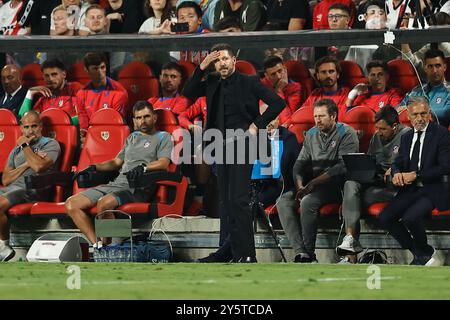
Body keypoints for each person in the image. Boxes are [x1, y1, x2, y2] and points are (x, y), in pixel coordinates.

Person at [183, 43, 285, 262]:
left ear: (234, 61)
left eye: (226, 59)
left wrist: (257, 124)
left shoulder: (249, 82)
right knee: (228, 202)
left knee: (238, 200)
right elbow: (188, 92)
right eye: (218, 60)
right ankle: (231, 253)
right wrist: (201, 67)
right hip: (220, 145)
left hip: (244, 143)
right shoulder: (210, 82)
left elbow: (277, 102)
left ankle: (247, 255)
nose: (222, 63)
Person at [198, 107, 301, 262]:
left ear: (279, 119)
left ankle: (224, 253)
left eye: (271, 118)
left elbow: (287, 167)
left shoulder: (287, 137)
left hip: (277, 187)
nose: (268, 123)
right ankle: (227, 248)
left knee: (245, 205)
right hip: (252, 184)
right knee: (230, 201)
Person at [65, 101, 173, 245]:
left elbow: (164, 163)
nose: (143, 121)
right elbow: (116, 162)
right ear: (134, 120)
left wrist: (144, 168)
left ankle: (110, 246)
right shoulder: (131, 138)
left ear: (154, 117)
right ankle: (98, 246)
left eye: (146, 116)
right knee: (71, 204)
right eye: (139, 118)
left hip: (139, 186)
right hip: (117, 183)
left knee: (103, 204)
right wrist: (94, 167)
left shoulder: (163, 137)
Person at [276, 99, 359, 263]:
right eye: (315, 116)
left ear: (333, 116)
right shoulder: (311, 134)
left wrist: (313, 183)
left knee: (307, 202)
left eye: (321, 116)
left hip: (338, 186)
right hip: (314, 186)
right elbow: (299, 164)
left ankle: (309, 252)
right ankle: (302, 253)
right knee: (283, 201)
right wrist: (300, 186)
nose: (317, 120)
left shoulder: (347, 133)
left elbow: (342, 167)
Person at [379, 97, 450, 266]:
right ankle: (422, 252)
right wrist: (396, 173)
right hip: (410, 189)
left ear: (429, 115)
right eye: (415, 114)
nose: (420, 118)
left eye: (423, 113)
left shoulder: (441, 134)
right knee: (384, 217)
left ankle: (421, 255)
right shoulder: (407, 136)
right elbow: (399, 161)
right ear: (409, 117)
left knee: (410, 217)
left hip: (433, 189)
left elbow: (445, 167)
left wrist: (416, 175)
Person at [337, 106, 410, 263]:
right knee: (350, 184)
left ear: (395, 126)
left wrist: (395, 168)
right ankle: (350, 242)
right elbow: (371, 161)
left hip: (397, 184)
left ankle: (350, 256)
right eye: (377, 128)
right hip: (376, 181)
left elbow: (414, 163)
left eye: (383, 129)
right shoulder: (376, 137)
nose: (379, 132)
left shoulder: (407, 135)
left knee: (354, 200)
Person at [0, 110, 61, 261]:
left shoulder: (50, 144)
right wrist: (27, 164)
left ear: (41, 127)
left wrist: (26, 146)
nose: (30, 130)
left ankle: (3, 246)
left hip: (34, 188)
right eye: (26, 127)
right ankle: (3, 248)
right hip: (12, 188)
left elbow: (39, 167)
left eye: (34, 126)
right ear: (21, 128)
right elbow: (6, 179)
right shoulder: (16, 151)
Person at [76, 52, 129, 138]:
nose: (100, 72)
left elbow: (117, 123)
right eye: (95, 69)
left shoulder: (120, 92)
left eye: (102, 67)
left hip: (113, 135)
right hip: (91, 137)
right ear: (86, 70)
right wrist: (84, 135)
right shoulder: (81, 94)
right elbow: (84, 126)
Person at [396, 49, 450, 127]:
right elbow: (398, 109)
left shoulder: (448, 91)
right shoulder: (416, 90)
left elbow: (445, 113)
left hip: (439, 134)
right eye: (430, 66)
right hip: (411, 133)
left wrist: (412, 109)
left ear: (444, 67)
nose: (434, 70)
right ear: (425, 68)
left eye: (438, 66)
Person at [18, 59, 83, 123]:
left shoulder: (75, 88)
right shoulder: (44, 96)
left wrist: (61, 123)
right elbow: (23, 120)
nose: (50, 79)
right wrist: (29, 93)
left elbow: (85, 116)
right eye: (47, 76)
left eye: (54, 74)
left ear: (64, 74)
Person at [296, 56, 350, 122]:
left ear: (337, 74)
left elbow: (342, 119)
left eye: (331, 71)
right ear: (318, 76)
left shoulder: (347, 94)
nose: (328, 76)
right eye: (324, 72)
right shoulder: (314, 95)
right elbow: (300, 115)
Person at [261, 55, 302, 123]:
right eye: (273, 74)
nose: (279, 76)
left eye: (280, 71)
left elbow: (289, 119)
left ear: (285, 69)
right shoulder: (261, 88)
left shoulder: (295, 87)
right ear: (266, 76)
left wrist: (279, 91)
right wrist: (279, 92)